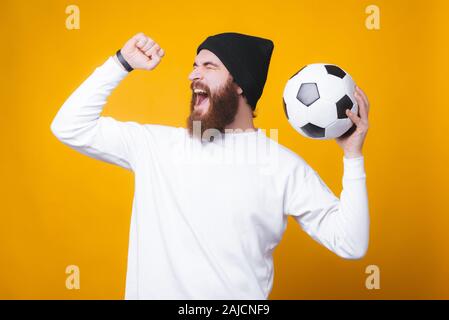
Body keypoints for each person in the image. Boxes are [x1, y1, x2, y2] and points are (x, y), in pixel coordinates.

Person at [50, 32, 370, 300]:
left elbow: (350, 243)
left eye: (208, 65)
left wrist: (352, 157)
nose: (193, 74)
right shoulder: (155, 146)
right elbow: (68, 126)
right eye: (194, 65)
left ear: (240, 83)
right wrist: (120, 63)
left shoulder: (284, 167)